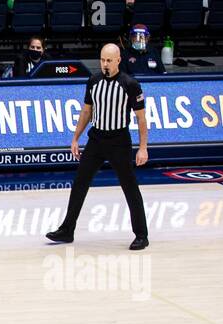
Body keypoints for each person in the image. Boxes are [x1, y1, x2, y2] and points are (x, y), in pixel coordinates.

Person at [46, 44, 149, 251]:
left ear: (118, 60)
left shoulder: (130, 84)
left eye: (109, 60)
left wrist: (143, 148)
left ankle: (141, 235)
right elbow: (86, 112)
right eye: (102, 60)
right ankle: (67, 230)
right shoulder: (93, 82)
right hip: (96, 139)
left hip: (119, 141)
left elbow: (141, 119)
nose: (105, 64)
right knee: (79, 183)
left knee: (129, 187)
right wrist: (75, 138)